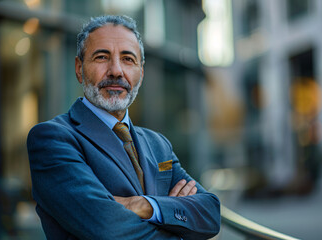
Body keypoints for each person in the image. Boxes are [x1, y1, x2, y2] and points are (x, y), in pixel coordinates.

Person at [27, 15, 220, 240]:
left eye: (128, 59)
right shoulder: (52, 138)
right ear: (79, 68)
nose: (116, 71)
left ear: (141, 72)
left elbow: (211, 213)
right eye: (101, 57)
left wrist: (143, 205)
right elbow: (107, 227)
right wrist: (173, 219)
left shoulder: (158, 145)